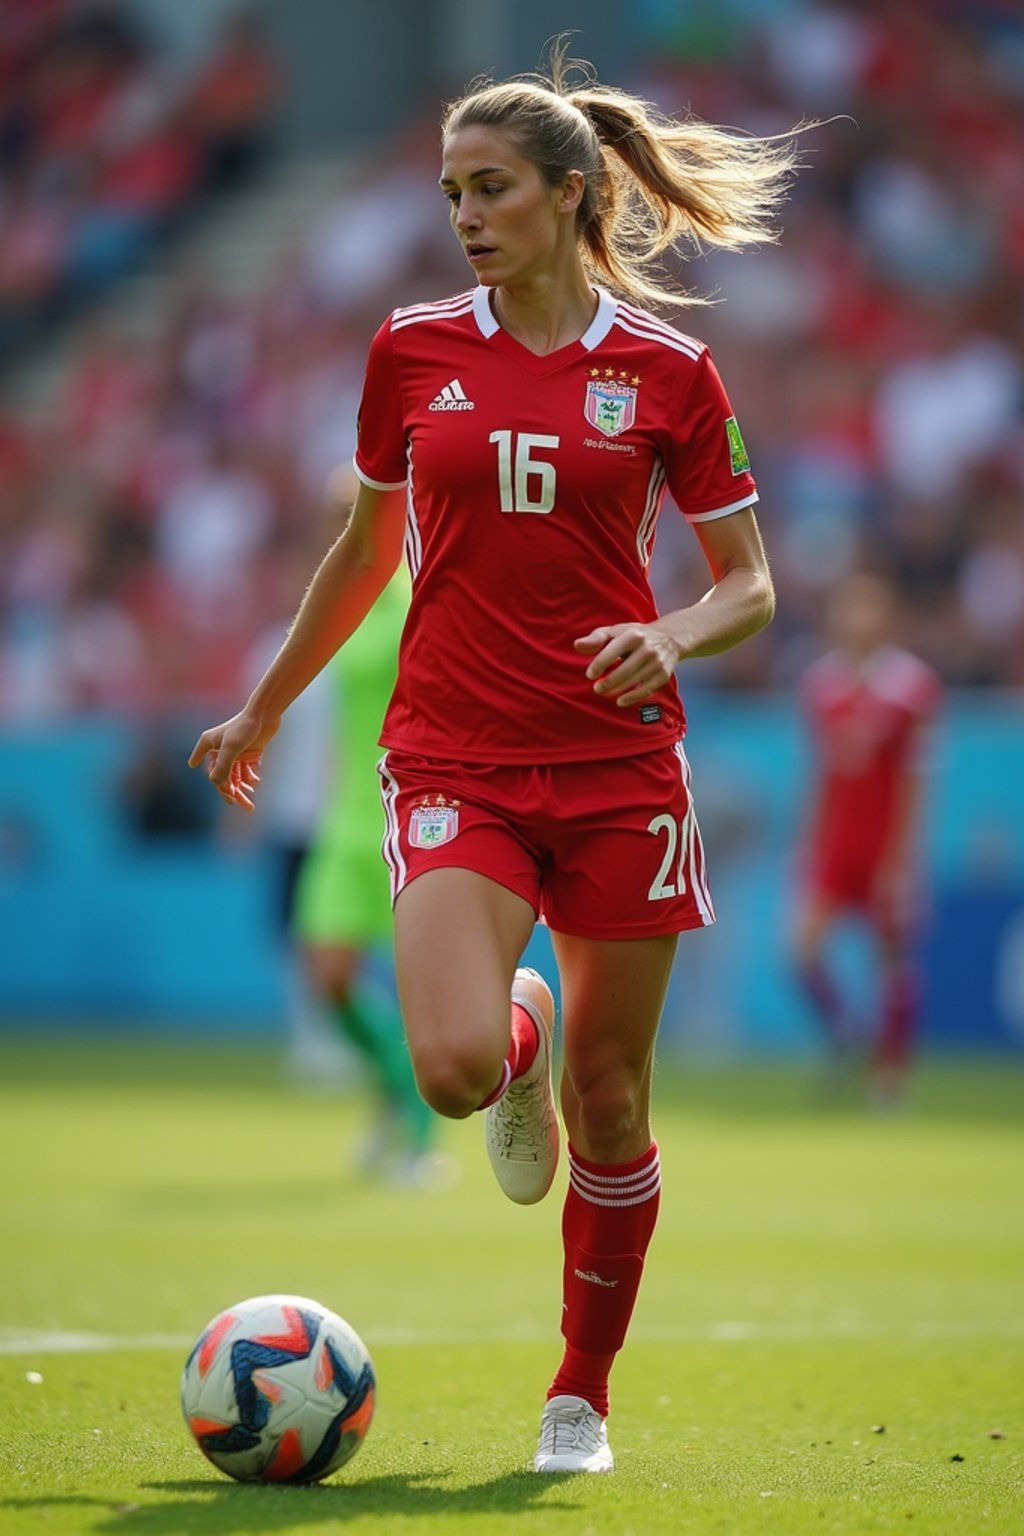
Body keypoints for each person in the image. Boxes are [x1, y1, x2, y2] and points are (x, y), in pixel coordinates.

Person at [189, 48, 796, 1473]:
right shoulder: (411, 349)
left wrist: (675, 634)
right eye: (453, 189)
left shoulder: (670, 373)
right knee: (458, 1071)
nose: (466, 212)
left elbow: (750, 582)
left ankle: (578, 1396)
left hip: (620, 771)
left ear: (571, 196)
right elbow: (363, 551)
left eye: (493, 188)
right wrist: (267, 706)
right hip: (454, 751)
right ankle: (507, 1036)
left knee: (617, 1102)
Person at [291, 470, 440, 1182]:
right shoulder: (346, 593)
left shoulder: (417, 592)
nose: (338, 523)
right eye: (332, 513)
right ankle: (392, 1096)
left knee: (423, 991)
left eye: (348, 511)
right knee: (330, 977)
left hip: (408, 812)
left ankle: (417, 1144)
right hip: (346, 818)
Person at [793, 571, 943, 1106]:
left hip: (885, 848)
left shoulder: (912, 688)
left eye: (866, 607)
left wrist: (903, 859)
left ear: (887, 616)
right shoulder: (821, 685)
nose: (855, 618)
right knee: (800, 949)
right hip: (837, 847)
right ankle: (846, 1033)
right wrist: (810, 844)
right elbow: (822, 776)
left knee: (893, 961)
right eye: (847, 607)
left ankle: (891, 1075)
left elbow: (916, 782)